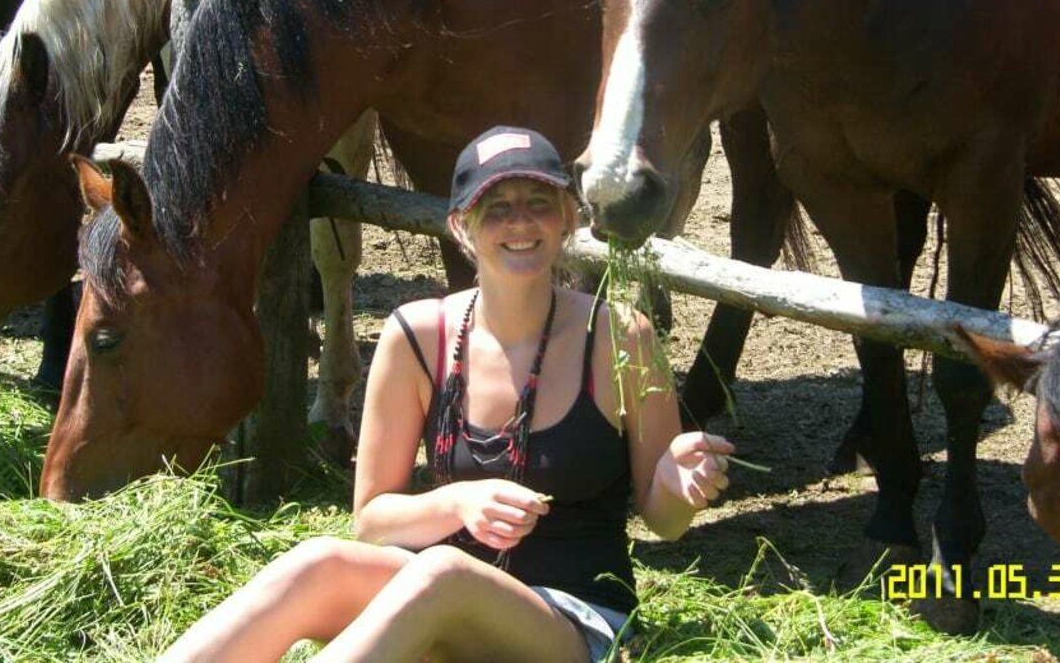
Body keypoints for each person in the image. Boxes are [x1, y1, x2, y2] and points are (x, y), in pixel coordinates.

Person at [160, 125, 734, 663]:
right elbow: (373, 521)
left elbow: (664, 521)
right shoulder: (417, 335)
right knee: (317, 561)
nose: (520, 224)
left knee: (442, 574)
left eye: (539, 204)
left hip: (571, 618)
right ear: (460, 226)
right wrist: (458, 504)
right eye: (497, 208)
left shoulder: (619, 335)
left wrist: (674, 486)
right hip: (432, 592)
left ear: (567, 219)